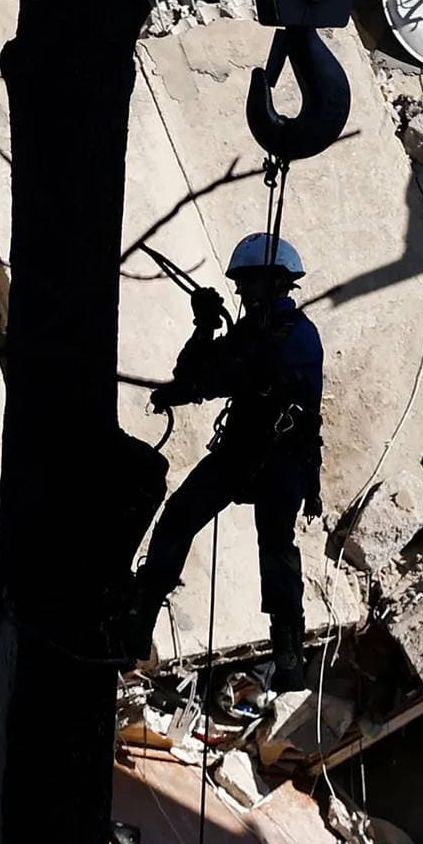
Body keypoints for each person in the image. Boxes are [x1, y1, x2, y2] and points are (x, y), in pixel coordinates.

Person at [125, 232, 324, 690]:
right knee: (178, 518)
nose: (239, 293)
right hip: (244, 452)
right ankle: (138, 626)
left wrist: (193, 383)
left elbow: (230, 376)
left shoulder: (297, 337)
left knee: (275, 549)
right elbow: (195, 373)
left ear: (272, 284)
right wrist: (204, 328)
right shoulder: (253, 330)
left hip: (280, 460)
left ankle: (288, 654)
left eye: (246, 284)